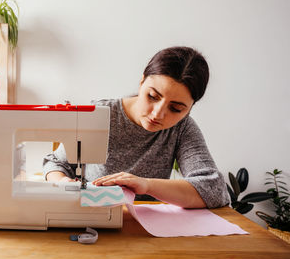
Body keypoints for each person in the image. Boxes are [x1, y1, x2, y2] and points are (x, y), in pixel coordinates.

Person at [43, 46, 229, 209]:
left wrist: (146, 185)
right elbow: (56, 163)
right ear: (142, 82)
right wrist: (63, 183)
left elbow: (214, 190)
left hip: (148, 231)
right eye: (153, 96)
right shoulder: (100, 114)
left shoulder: (182, 128)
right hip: (95, 216)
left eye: (176, 108)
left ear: (190, 108)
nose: (157, 114)